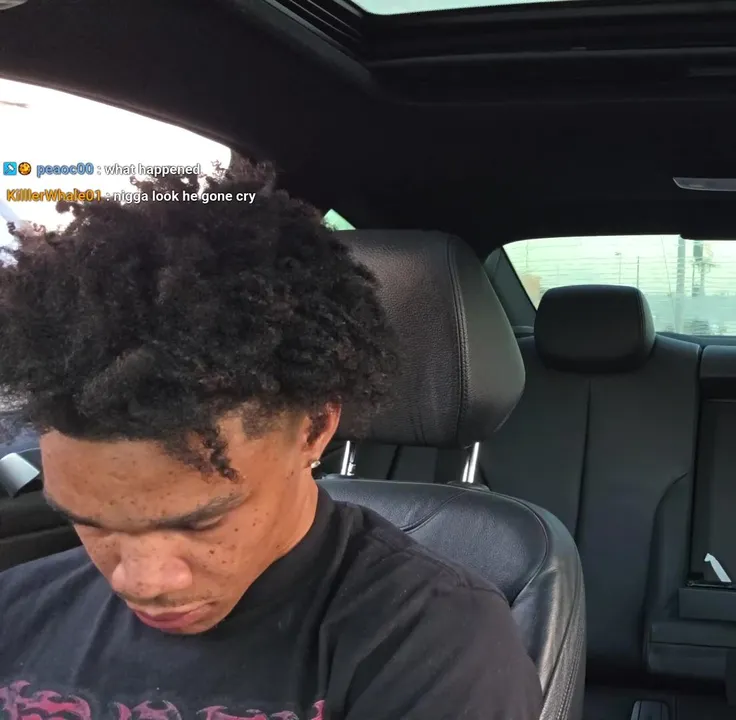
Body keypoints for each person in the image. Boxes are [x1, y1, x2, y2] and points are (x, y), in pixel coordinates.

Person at [0, 161, 542, 720]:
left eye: (199, 522)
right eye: (92, 522)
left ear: (315, 427)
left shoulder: (435, 647)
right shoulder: (15, 608)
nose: (140, 582)